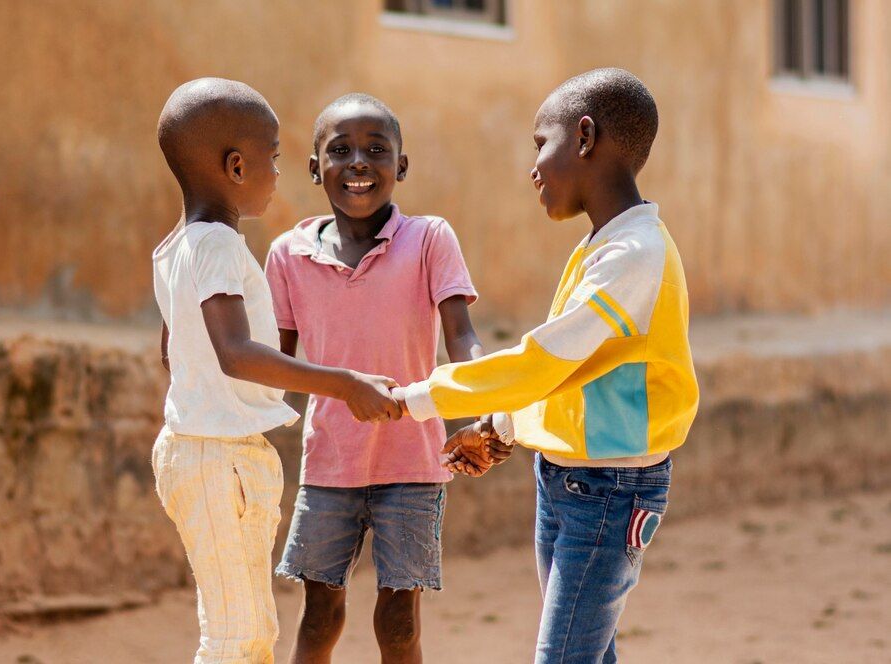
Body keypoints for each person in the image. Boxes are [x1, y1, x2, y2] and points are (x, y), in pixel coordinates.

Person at [396, 69, 700, 663]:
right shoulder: (601, 249)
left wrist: (417, 398)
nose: (533, 167)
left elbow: (539, 362)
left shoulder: (636, 255)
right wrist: (502, 429)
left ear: (584, 137)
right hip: (565, 480)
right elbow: (569, 374)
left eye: (541, 144)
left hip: (611, 491)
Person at [150, 79, 401, 664]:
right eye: (273, 156)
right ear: (236, 166)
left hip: (208, 452)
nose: (279, 172)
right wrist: (344, 383)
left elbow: (175, 347)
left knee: (245, 628)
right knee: (239, 640)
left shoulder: (178, 247)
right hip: (218, 460)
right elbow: (234, 352)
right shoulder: (215, 246)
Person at [266, 93, 508, 664]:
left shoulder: (428, 239)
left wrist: (486, 399)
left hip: (412, 460)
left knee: (399, 623)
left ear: (401, 166)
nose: (358, 163)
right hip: (330, 460)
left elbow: (460, 334)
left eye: (377, 150)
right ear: (313, 168)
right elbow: (276, 362)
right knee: (319, 615)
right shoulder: (287, 254)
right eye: (340, 150)